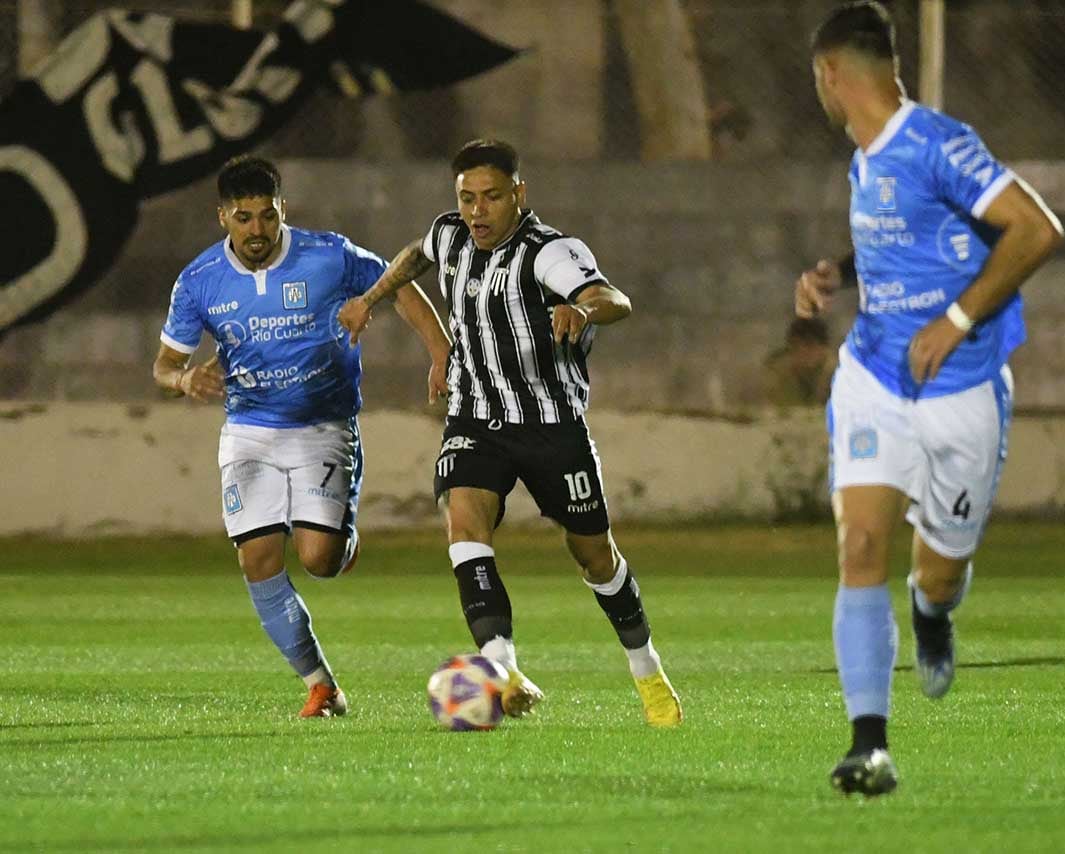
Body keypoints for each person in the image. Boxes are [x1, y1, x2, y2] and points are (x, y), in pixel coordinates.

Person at [796, 2, 1063, 797]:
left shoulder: (936, 142)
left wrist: (956, 318)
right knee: (859, 550)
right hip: (875, 376)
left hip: (963, 389)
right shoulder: (866, 157)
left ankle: (933, 612)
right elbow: (898, 234)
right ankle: (868, 745)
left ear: (831, 76)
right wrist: (838, 274)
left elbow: (1037, 229)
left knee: (938, 574)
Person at [336, 139, 683, 727]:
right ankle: (503, 671)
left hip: (551, 427)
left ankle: (647, 670)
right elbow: (416, 255)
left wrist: (584, 310)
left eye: (491, 197)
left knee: (595, 556)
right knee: (463, 523)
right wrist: (374, 298)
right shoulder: (451, 235)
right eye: (467, 198)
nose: (478, 211)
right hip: (475, 416)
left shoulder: (549, 252)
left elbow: (611, 297)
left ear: (519, 194)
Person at [152, 156, 450, 718]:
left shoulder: (328, 255)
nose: (257, 230)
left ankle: (342, 542)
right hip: (249, 432)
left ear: (282, 209)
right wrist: (184, 378)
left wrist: (439, 351)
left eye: (267, 216)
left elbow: (399, 283)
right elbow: (164, 366)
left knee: (319, 560)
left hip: (323, 427)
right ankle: (321, 685)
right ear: (223, 218)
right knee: (258, 560)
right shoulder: (198, 282)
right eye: (244, 218)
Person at [762, 316, 838, 407]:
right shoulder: (777, 371)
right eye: (796, 347)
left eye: (810, 345)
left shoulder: (838, 372)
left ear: (824, 349)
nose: (803, 352)